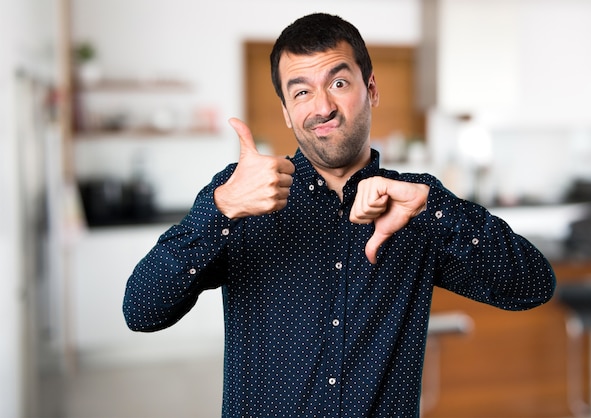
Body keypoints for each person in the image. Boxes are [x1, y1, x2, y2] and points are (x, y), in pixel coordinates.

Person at [123, 12, 556, 417]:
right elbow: (141, 311)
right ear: (287, 113)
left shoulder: (415, 205)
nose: (322, 106)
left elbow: (533, 286)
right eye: (302, 91)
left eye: (339, 83)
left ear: (371, 89)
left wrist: (433, 207)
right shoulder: (239, 197)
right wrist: (219, 210)